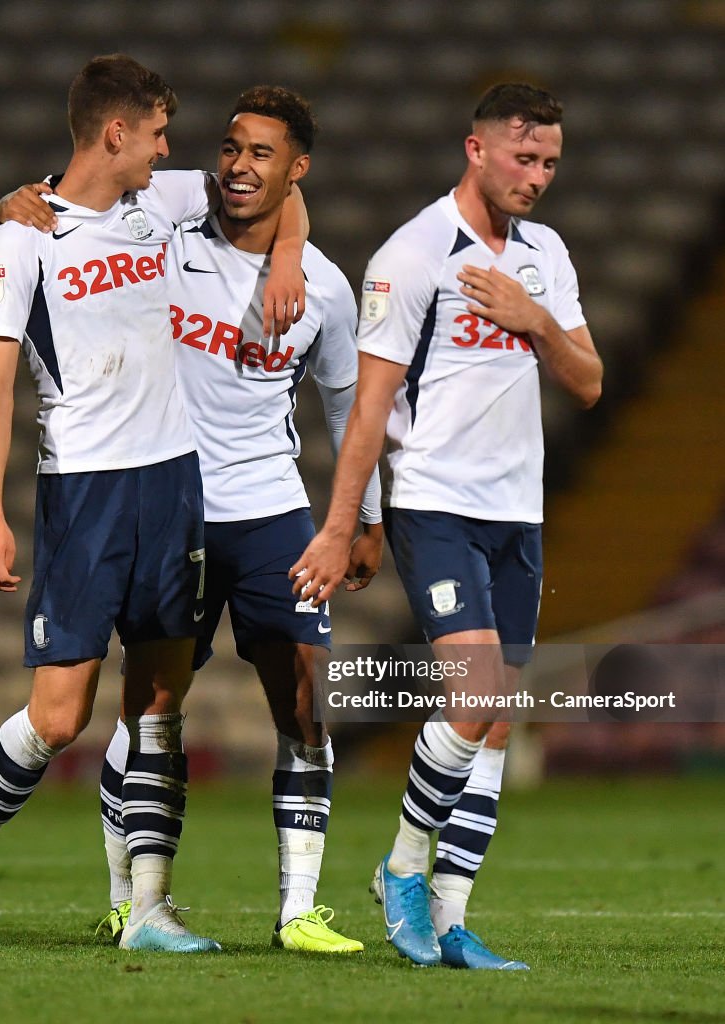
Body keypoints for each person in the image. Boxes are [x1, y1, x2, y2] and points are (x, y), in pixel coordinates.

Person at [0, 86, 383, 955]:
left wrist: (364, 515)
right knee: (149, 711)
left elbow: (347, 401)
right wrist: (12, 200)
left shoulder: (319, 285)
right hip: (166, 501)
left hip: (270, 508)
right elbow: (75, 201)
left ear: (298, 170)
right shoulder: (160, 235)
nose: (239, 167)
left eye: (263, 155)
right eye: (230, 149)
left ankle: (298, 912)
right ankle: (130, 900)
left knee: (305, 700)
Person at [0, 54, 305, 954]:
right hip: (86, 490)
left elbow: (276, 190)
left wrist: (290, 255)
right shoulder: (20, 238)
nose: (174, 153)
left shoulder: (165, 199)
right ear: (116, 133)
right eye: (156, 134)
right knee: (61, 718)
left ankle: (147, 906)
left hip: (173, 481)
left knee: (154, 705)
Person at [290, 82, 603, 969]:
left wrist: (533, 317)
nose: (536, 177)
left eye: (548, 162)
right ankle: (399, 870)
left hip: (518, 510)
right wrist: (342, 521)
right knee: (479, 702)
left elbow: (588, 381)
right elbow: (369, 406)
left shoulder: (544, 253)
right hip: (436, 500)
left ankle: (452, 918)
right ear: (475, 150)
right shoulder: (413, 254)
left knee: (497, 725)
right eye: (522, 158)